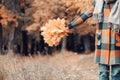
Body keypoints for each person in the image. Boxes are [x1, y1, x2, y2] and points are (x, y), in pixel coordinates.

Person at [67, 0, 120, 80]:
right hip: (102, 43)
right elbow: (84, 15)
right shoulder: (98, 2)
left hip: (117, 43)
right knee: (103, 73)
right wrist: (69, 26)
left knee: (116, 74)